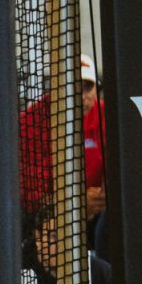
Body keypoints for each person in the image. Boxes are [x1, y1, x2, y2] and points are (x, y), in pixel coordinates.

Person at [18, 54, 107, 249]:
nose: (81, 96)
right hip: (49, 219)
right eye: (72, 87)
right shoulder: (30, 125)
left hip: (97, 214)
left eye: (87, 87)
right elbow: (34, 197)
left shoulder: (108, 116)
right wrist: (77, 203)